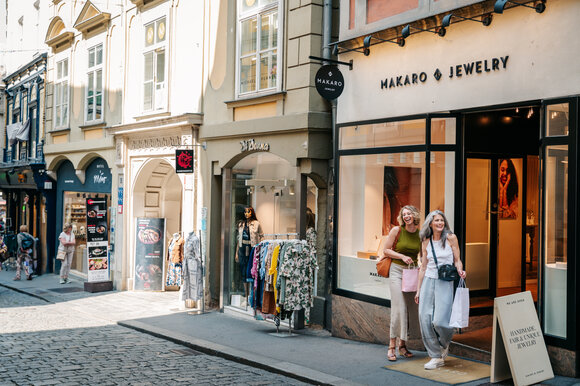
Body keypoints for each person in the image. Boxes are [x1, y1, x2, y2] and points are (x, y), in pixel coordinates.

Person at [415, 210, 466, 370]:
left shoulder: (451, 238)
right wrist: (418, 290)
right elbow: (423, 267)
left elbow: (458, 260)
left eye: (442, 220)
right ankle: (435, 356)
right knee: (424, 318)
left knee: (440, 321)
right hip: (428, 280)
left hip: (445, 281)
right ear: (430, 223)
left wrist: (460, 270)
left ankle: (443, 344)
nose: (440, 223)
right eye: (436, 220)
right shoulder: (426, 241)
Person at [381, 205, 421, 361]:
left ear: (414, 215)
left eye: (409, 213)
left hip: (412, 272)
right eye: (404, 214)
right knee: (399, 308)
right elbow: (386, 250)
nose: (406, 216)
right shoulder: (396, 231)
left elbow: (422, 254)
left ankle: (402, 345)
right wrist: (402, 256)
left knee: (410, 308)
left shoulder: (420, 234)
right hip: (397, 271)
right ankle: (391, 346)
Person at [235, 206, 263, 304]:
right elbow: (238, 239)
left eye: (249, 212)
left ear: (252, 213)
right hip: (242, 249)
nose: (247, 214)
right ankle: (246, 295)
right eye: (245, 212)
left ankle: (252, 295)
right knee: (243, 271)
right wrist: (236, 252)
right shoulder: (241, 224)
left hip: (252, 248)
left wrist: (260, 250)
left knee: (252, 271)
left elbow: (261, 237)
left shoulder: (256, 224)